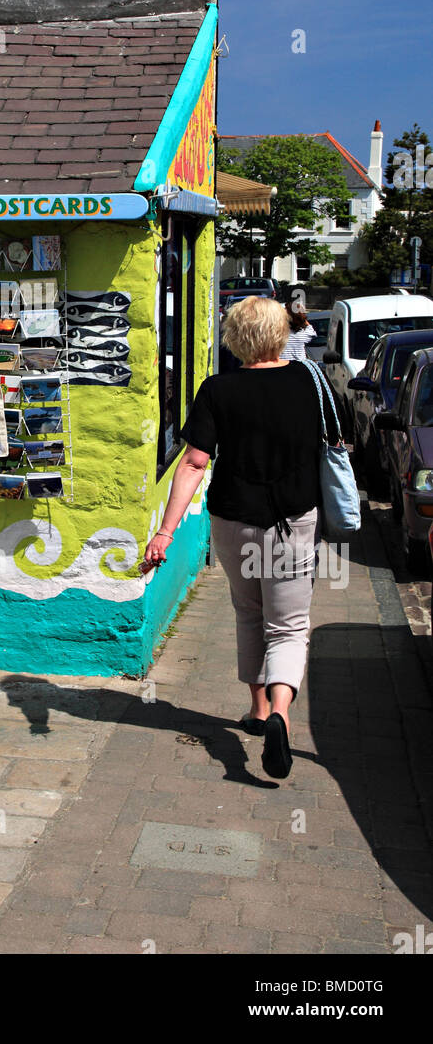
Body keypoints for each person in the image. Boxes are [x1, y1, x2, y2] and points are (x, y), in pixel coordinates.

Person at [141, 296, 333, 780]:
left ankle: (258, 710)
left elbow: (194, 462)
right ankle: (282, 713)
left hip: (233, 523)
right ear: (281, 333)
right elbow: (337, 441)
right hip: (293, 520)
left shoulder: (218, 389)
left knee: (249, 613)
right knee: (289, 625)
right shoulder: (311, 383)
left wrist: (165, 532)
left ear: (234, 338)